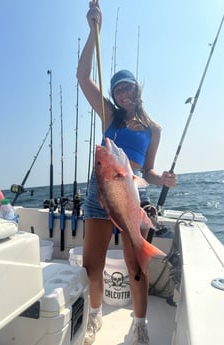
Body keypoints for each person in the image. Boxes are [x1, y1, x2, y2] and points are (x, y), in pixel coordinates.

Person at [77, 2, 177, 345]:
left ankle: (140, 324)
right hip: (100, 192)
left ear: (137, 89)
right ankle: (93, 316)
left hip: (134, 193)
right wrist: (95, 32)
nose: (122, 93)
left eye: (127, 87)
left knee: (137, 265)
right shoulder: (110, 115)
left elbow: (146, 170)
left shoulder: (154, 129)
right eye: (117, 90)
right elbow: (82, 76)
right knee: (92, 266)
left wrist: (159, 177)